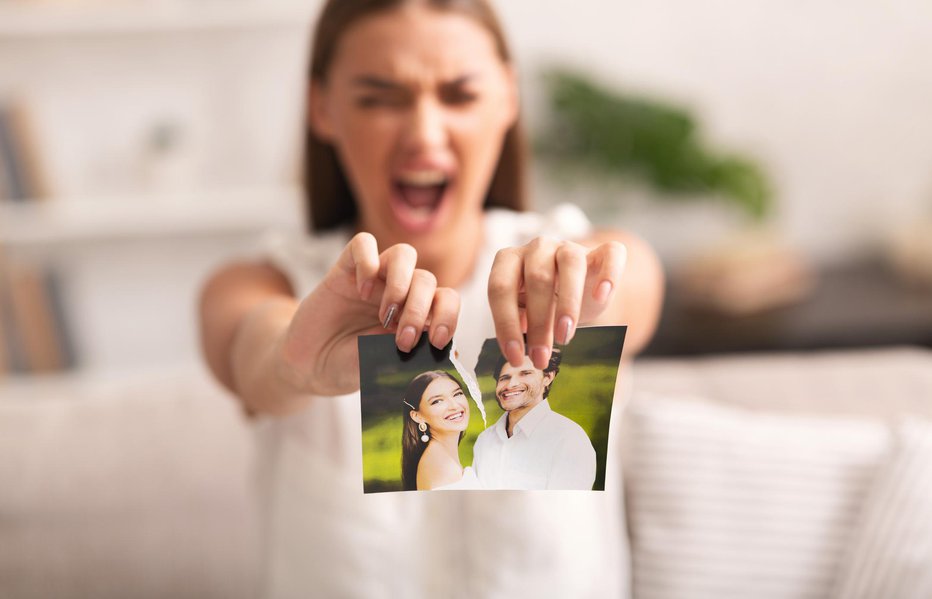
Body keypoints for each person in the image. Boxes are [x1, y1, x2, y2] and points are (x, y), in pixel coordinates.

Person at [198, 0, 664, 595]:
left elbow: (635, 281)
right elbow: (254, 348)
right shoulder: (264, 284)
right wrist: (296, 366)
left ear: (508, 98)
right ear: (322, 108)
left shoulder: (567, 256)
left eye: (459, 95)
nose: (423, 134)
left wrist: (586, 293)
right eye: (378, 98)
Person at [473, 348, 597, 490]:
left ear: (548, 377)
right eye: (504, 378)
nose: (511, 384)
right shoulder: (484, 440)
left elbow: (566, 508)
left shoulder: (569, 439)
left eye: (525, 374)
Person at [401, 370, 480, 490]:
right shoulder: (441, 466)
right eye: (437, 401)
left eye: (457, 394)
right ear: (417, 416)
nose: (454, 405)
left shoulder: (438, 456)